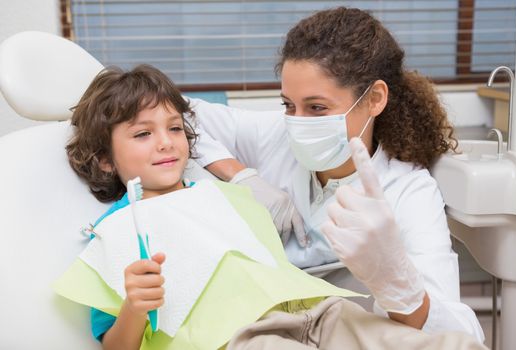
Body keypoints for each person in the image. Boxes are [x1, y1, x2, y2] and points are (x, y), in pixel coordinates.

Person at [58, 64, 487, 350]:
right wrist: (135, 306)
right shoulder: (116, 233)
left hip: (319, 311)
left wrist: (240, 178)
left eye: (173, 128)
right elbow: (115, 346)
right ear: (105, 159)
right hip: (242, 337)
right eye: (142, 134)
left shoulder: (223, 197)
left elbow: (196, 120)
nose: (167, 141)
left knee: (452, 345)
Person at [187, 7, 485, 342]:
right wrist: (241, 176)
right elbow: (171, 111)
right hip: (261, 321)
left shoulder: (407, 190)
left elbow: (462, 337)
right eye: (288, 104)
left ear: (374, 99)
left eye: (317, 108)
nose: (297, 122)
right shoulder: (273, 134)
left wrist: (398, 284)